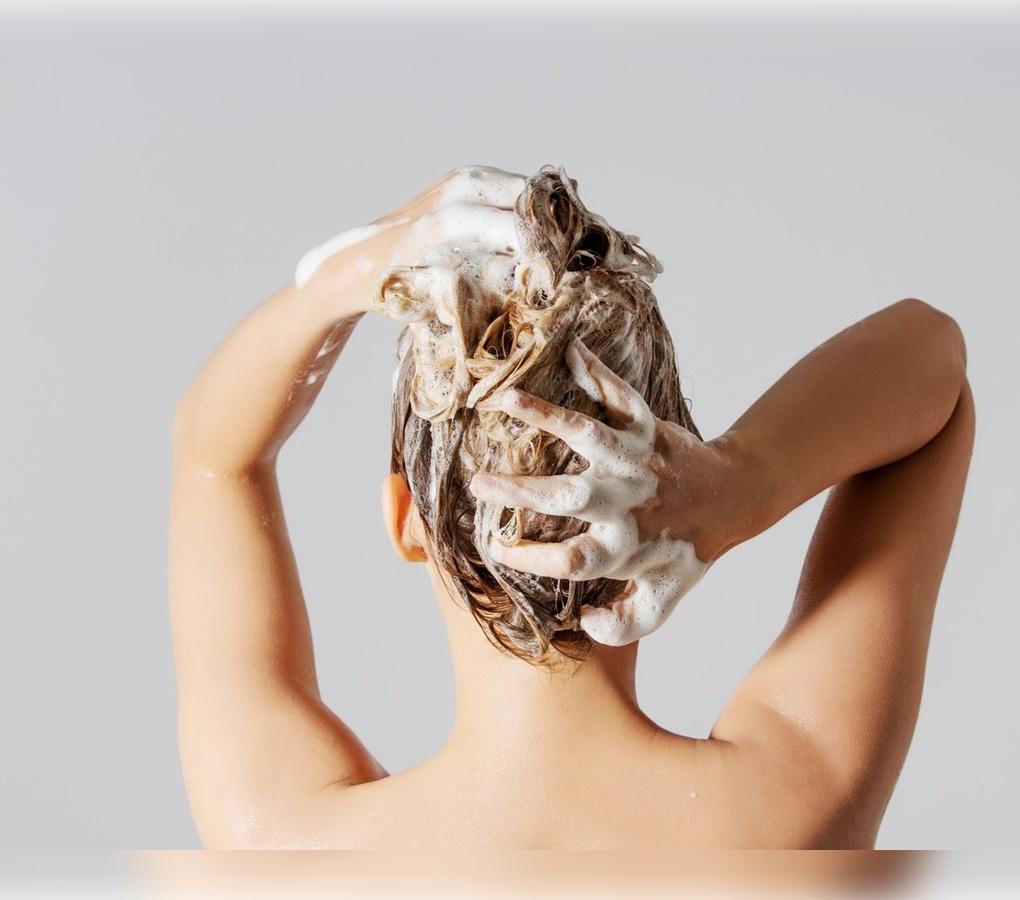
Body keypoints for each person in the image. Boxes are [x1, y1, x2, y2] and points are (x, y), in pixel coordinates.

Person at [169, 166, 973, 849]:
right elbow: (933, 362)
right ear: (670, 485)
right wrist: (739, 482)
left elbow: (213, 459)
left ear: (405, 515)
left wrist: (355, 268)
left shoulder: (283, 841)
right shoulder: (791, 805)